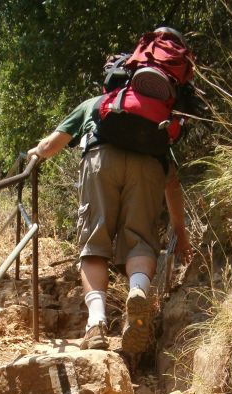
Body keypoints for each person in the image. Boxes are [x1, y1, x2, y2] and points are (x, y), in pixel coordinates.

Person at [27, 30, 193, 354]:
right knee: (140, 240)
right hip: (150, 167)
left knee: (95, 242)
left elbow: (51, 145)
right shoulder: (157, 120)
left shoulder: (97, 104)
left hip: (101, 159)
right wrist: (180, 232)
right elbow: (172, 181)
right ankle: (139, 289)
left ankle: (96, 325)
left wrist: (34, 153)